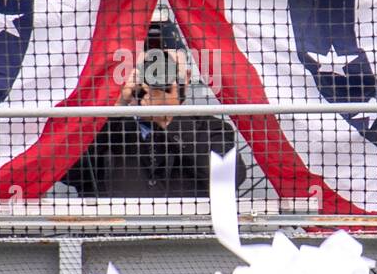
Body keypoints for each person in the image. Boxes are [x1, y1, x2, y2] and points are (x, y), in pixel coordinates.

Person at [62, 20, 247, 198]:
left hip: (190, 230)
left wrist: (170, 121)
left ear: (187, 77)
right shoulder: (101, 126)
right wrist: (114, 109)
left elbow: (230, 178)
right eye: (149, 66)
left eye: (167, 67)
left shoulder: (211, 129)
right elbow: (67, 173)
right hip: (113, 229)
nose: (157, 75)